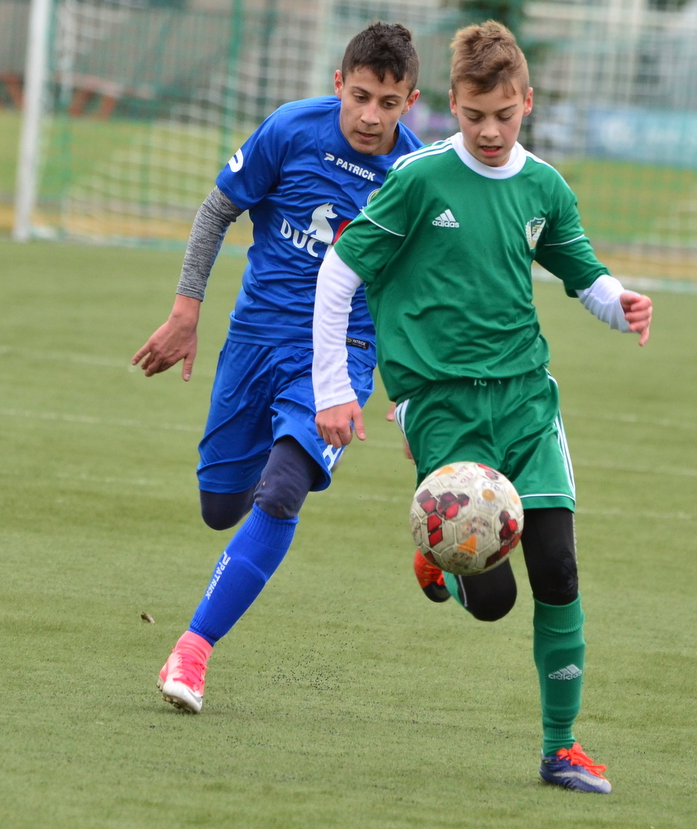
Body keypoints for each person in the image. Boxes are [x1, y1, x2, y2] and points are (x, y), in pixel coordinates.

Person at [312, 21, 652, 793]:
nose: (490, 131)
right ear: (452, 108)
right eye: (474, 116)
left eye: (504, 114)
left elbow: (580, 270)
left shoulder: (544, 187)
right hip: (439, 405)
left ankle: (560, 747)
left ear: (526, 102)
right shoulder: (420, 180)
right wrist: (335, 388)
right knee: (494, 600)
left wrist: (618, 300)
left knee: (559, 567)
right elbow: (339, 273)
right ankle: (436, 549)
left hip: (528, 402)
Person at [132, 23, 422, 715]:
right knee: (218, 507)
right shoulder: (290, 131)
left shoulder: (415, 176)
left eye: (387, 102)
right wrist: (185, 311)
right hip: (255, 341)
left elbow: (419, 290)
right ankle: (275, 466)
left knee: (284, 490)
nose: (371, 115)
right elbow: (217, 212)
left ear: (410, 102)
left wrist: (410, 391)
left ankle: (193, 649)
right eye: (359, 96)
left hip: (339, 359)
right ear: (337, 85)